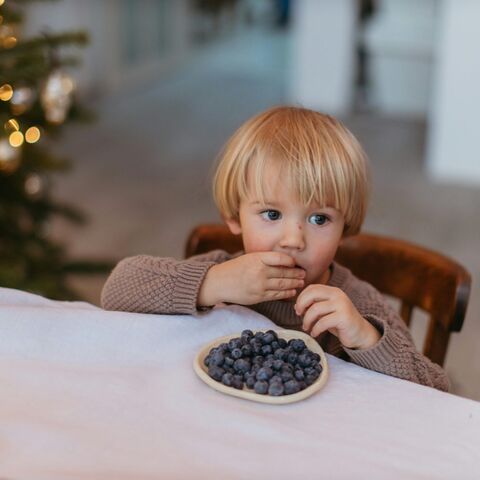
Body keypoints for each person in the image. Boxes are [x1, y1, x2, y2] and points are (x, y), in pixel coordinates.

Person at [101, 106, 449, 392]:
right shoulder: (222, 273)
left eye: (319, 219)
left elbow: (435, 390)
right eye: (271, 214)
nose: (293, 240)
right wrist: (213, 283)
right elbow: (117, 289)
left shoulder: (358, 304)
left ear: (347, 227)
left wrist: (365, 336)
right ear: (234, 217)